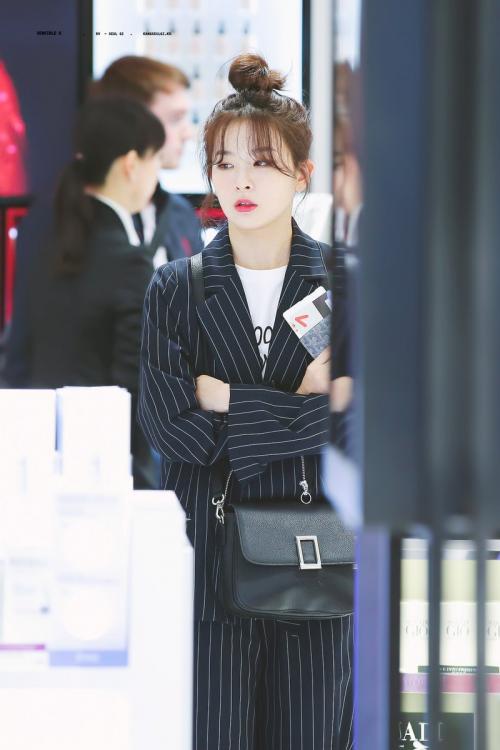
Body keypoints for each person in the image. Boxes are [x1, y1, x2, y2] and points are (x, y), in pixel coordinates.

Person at [139, 54, 353, 749]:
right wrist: (307, 399)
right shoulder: (178, 287)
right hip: (206, 562)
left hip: (317, 561)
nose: (242, 181)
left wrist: (230, 398)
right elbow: (173, 431)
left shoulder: (343, 284)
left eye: (262, 163)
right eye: (225, 163)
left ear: (302, 173)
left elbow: (359, 428)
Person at [19, 97, 165, 488]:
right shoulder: (130, 262)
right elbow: (135, 389)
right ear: (131, 164)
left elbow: (18, 358)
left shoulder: (45, 249)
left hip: (35, 459)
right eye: (155, 161)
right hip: (104, 469)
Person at [90, 55, 203, 266]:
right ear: (131, 121)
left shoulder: (180, 215)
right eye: (175, 119)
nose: (187, 133)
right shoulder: (76, 220)